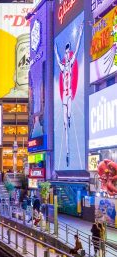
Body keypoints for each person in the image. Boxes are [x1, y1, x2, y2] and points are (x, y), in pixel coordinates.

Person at [54, 23, 84, 167]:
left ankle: (70, 120)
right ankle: (67, 153)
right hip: (64, 99)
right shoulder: (62, 65)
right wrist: (54, 48)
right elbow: (56, 56)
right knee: (65, 124)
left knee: (70, 116)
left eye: (67, 52)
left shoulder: (71, 64)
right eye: (65, 53)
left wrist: (81, 32)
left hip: (69, 94)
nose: (66, 55)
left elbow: (77, 49)